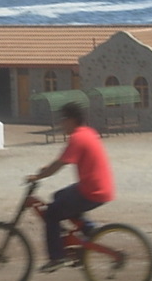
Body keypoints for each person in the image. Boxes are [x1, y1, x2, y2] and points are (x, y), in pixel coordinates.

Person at [27, 101, 115, 272]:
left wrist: (38, 176)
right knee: (59, 196)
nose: (61, 124)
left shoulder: (77, 138)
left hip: (91, 191)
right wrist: (44, 170)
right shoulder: (88, 132)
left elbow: (59, 164)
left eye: (63, 120)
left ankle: (56, 256)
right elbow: (60, 161)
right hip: (100, 187)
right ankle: (88, 230)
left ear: (72, 120)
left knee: (52, 213)